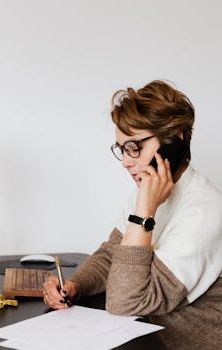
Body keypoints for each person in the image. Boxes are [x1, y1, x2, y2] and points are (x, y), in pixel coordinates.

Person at [43, 80, 222, 349]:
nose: (127, 161)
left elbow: (124, 302)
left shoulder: (205, 210)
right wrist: (75, 286)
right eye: (122, 149)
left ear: (175, 140)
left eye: (135, 146)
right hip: (144, 335)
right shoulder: (150, 194)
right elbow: (110, 256)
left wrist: (143, 214)